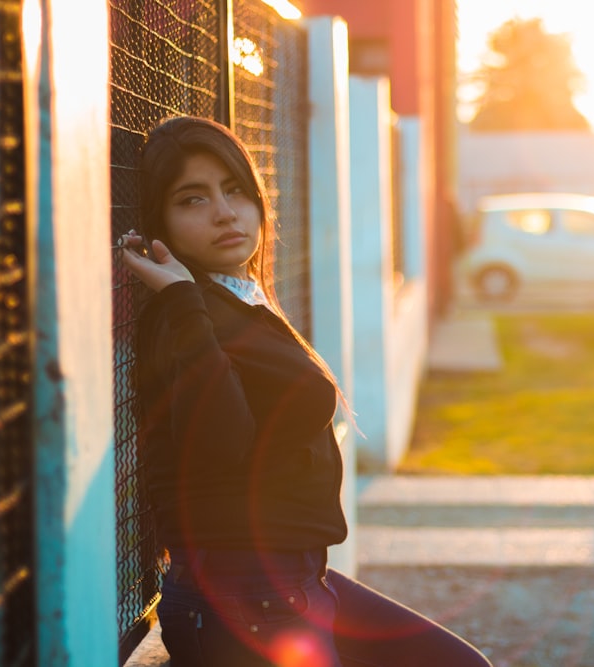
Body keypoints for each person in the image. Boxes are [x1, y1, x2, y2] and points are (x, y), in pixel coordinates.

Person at [120, 115, 492, 667]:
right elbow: (222, 438)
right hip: (239, 599)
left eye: (236, 190)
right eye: (192, 199)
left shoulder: (238, 299)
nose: (225, 211)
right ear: (161, 225)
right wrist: (178, 297)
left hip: (295, 581)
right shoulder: (181, 318)